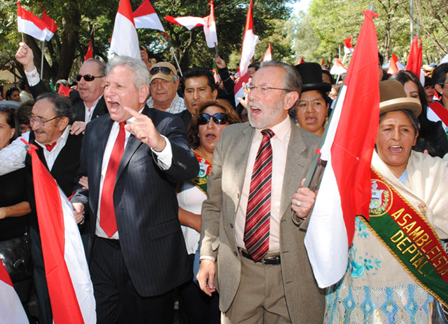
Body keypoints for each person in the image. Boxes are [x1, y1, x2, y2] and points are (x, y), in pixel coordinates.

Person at [70, 55, 199, 324]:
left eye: (118, 86)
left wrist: (157, 142)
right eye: (107, 86)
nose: (109, 93)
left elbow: (186, 169)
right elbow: (85, 178)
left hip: (147, 258)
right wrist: (80, 202)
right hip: (100, 252)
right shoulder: (95, 129)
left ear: (142, 93)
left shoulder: (165, 124)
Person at [197, 61, 325, 324]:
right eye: (252, 87)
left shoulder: (317, 150)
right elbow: (214, 205)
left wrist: (312, 210)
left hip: (293, 279)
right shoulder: (231, 138)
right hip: (240, 275)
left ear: (289, 99)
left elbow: (332, 222)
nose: (252, 95)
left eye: (264, 89)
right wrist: (208, 255)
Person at [325, 80, 448, 323]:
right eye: (387, 129)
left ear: (415, 137)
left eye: (405, 130)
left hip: (420, 296)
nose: (396, 137)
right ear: (373, 134)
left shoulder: (437, 170)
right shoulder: (351, 174)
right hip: (363, 295)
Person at [0, 92, 84, 324]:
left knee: (76, 291)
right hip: (39, 232)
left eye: (42, 120)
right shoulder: (27, 144)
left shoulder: (84, 139)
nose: (34, 125)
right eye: (33, 118)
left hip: (77, 234)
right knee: (45, 290)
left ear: (63, 122)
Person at [178, 99, 240, 324]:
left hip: (233, 257)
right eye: (204, 120)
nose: (211, 125)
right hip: (190, 257)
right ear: (197, 128)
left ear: (232, 126)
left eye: (220, 119)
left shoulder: (243, 163)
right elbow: (163, 205)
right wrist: (198, 221)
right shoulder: (183, 162)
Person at [15, 42, 109, 135]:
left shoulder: (111, 105)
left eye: (88, 77)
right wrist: (29, 66)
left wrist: (90, 127)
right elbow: (45, 99)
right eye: (79, 77)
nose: (81, 82)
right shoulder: (72, 101)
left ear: (103, 81)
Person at [0, 106, 34, 321]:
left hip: (10, 252)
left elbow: (33, 203)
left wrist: (5, 212)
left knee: (12, 313)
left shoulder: (24, 160)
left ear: (12, 131)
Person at [390, 70, 448, 157]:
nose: (409, 101)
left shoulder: (435, 130)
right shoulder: (379, 134)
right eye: (402, 95)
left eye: (414, 96)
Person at [293, 62, 332, 136]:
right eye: (303, 105)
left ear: (327, 108)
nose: (310, 110)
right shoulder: (285, 145)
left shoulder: (337, 143)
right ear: (294, 111)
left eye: (317, 103)